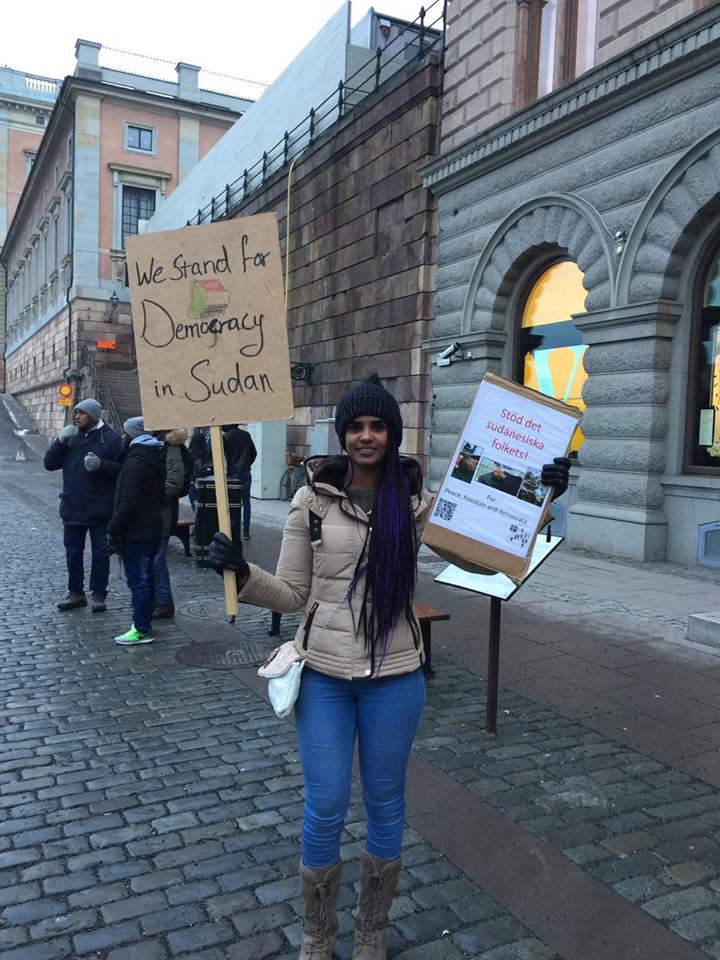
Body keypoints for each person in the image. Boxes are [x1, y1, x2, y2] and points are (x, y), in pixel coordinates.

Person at [209, 374, 570, 959]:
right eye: (356, 426)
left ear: (394, 435)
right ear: (342, 434)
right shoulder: (312, 501)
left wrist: (543, 496)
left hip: (396, 676)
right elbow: (294, 593)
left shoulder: (419, 506)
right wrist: (242, 575)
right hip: (323, 676)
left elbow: (491, 549)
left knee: (385, 803)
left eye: (378, 426)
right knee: (324, 805)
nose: (366, 436)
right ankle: (317, 935)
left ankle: (372, 931)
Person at [43, 397, 123, 613]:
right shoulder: (72, 437)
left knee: (100, 554)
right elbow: (49, 464)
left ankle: (98, 594)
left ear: (93, 416)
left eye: (82, 413)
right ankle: (75, 593)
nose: (77, 417)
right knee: (73, 553)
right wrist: (60, 441)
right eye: (75, 413)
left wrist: (101, 466)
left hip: (100, 509)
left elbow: (121, 472)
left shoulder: (111, 439)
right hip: (73, 506)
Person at [106, 417, 165, 646]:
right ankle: (145, 622)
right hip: (153, 527)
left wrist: (112, 528)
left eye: (125, 433)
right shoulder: (153, 456)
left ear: (132, 435)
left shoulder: (135, 461)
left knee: (138, 581)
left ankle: (140, 628)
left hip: (138, 530)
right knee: (147, 578)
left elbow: (128, 501)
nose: (122, 437)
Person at [152, 428, 190, 620]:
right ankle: (157, 600)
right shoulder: (157, 442)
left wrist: (152, 496)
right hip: (156, 512)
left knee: (157, 558)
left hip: (163, 511)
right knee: (153, 557)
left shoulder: (171, 447)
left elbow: (174, 482)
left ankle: (164, 601)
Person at [222, 422, 257, 539]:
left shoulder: (226, 437)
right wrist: (247, 464)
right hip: (246, 471)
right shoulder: (246, 435)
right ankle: (246, 529)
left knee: (232, 503)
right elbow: (254, 453)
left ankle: (233, 528)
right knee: (246, 501)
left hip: (233, 473)